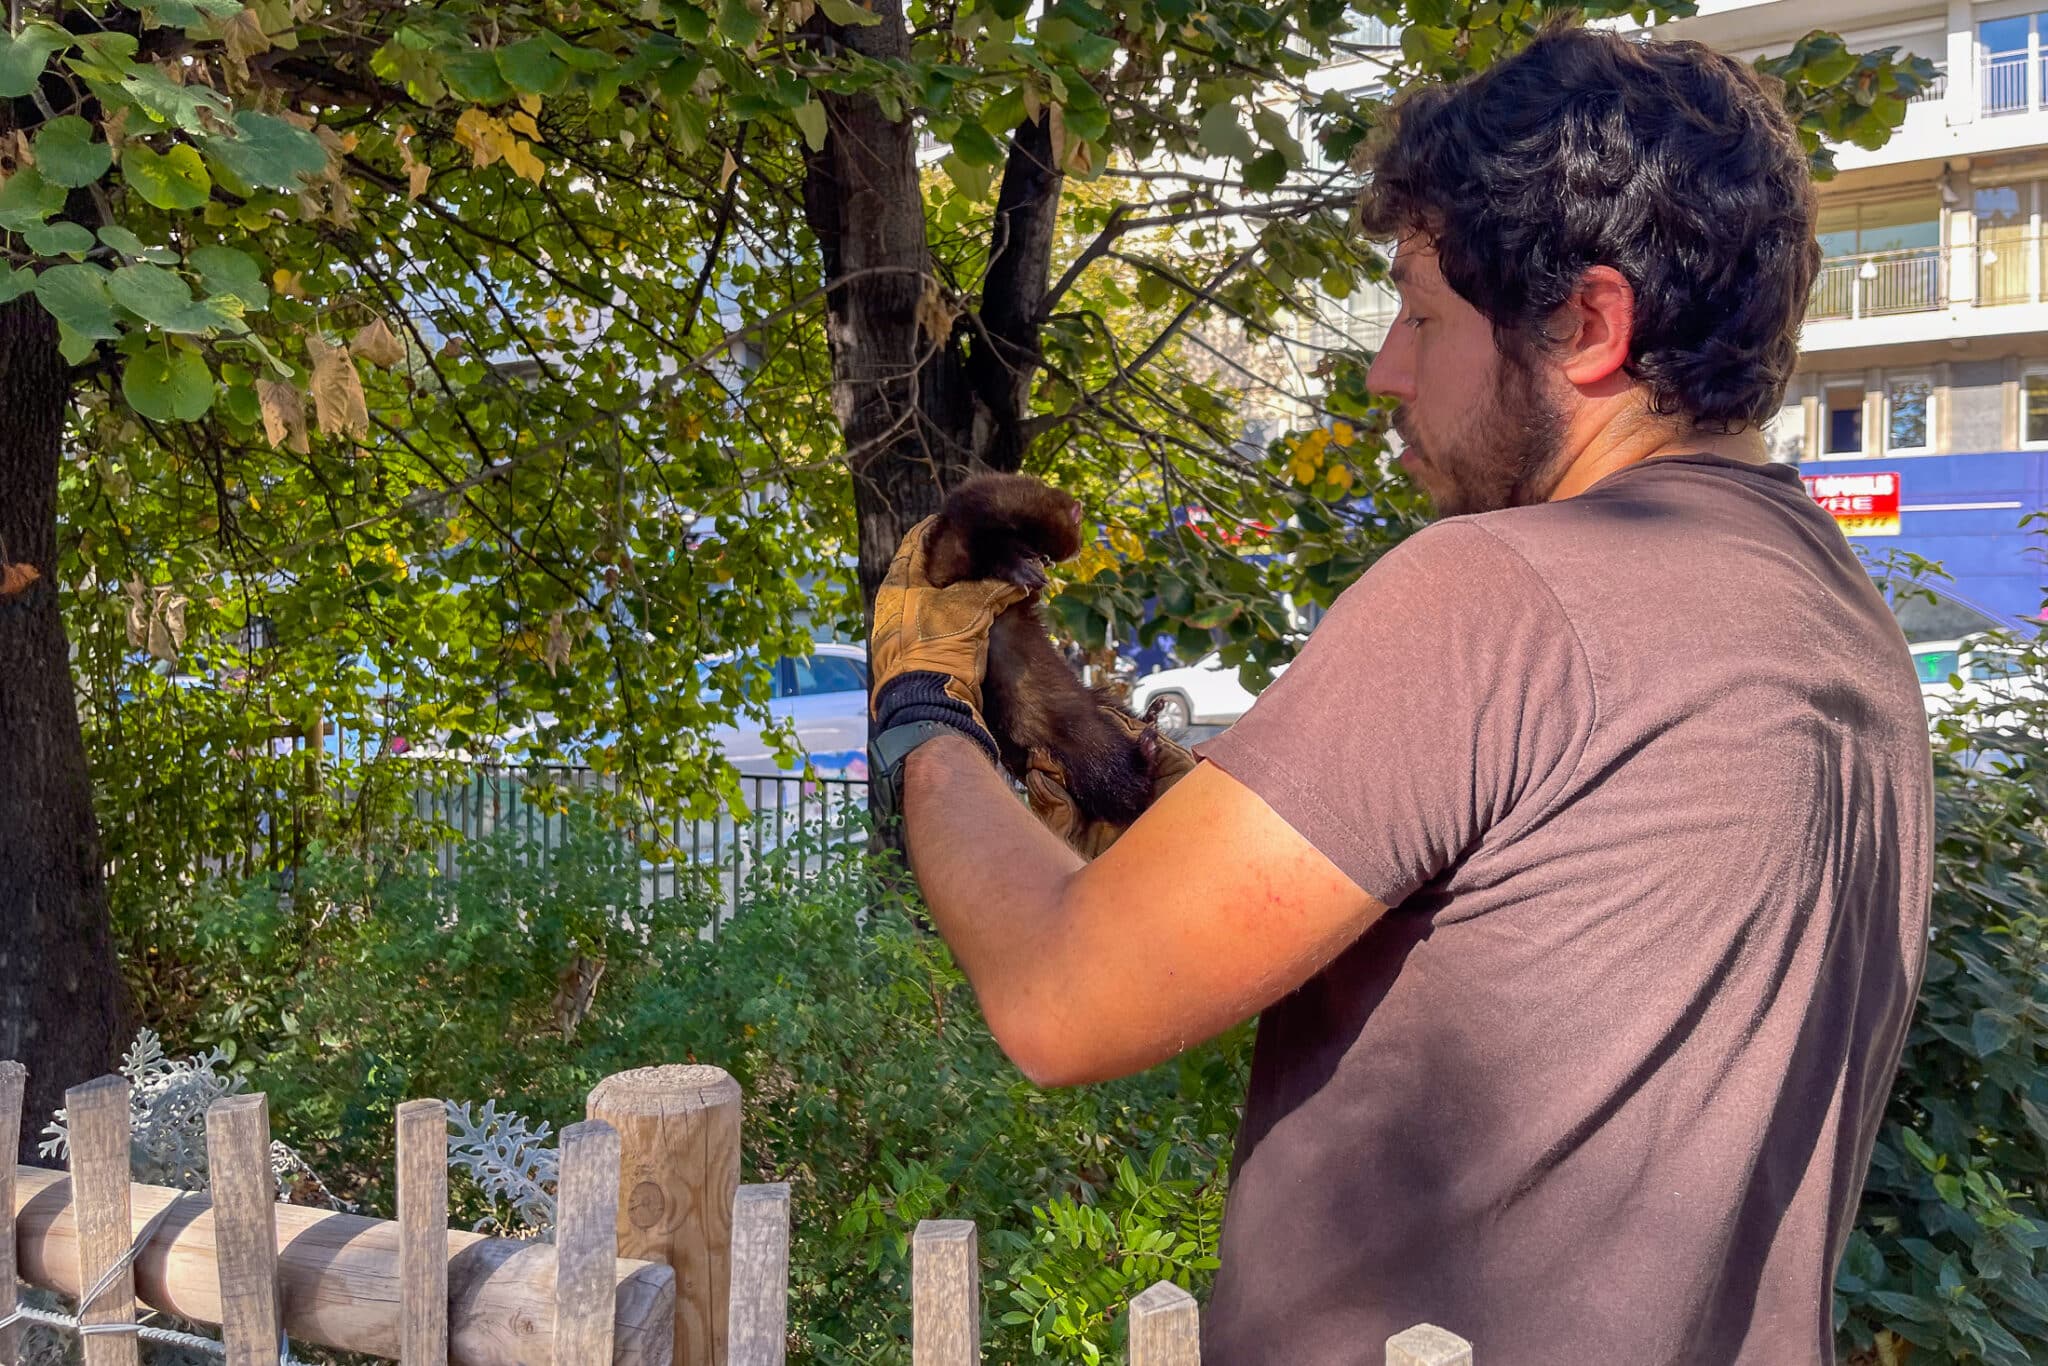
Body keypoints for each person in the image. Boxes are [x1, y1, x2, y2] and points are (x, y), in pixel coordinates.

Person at [862, 21, 1932, 1365]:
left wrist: (919, 702)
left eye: (1423, 313)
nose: (1386, 366)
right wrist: (1108, 769)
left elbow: (1061, 997)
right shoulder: (1844, 629)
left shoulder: (1501, 595)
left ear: (1585, 323)